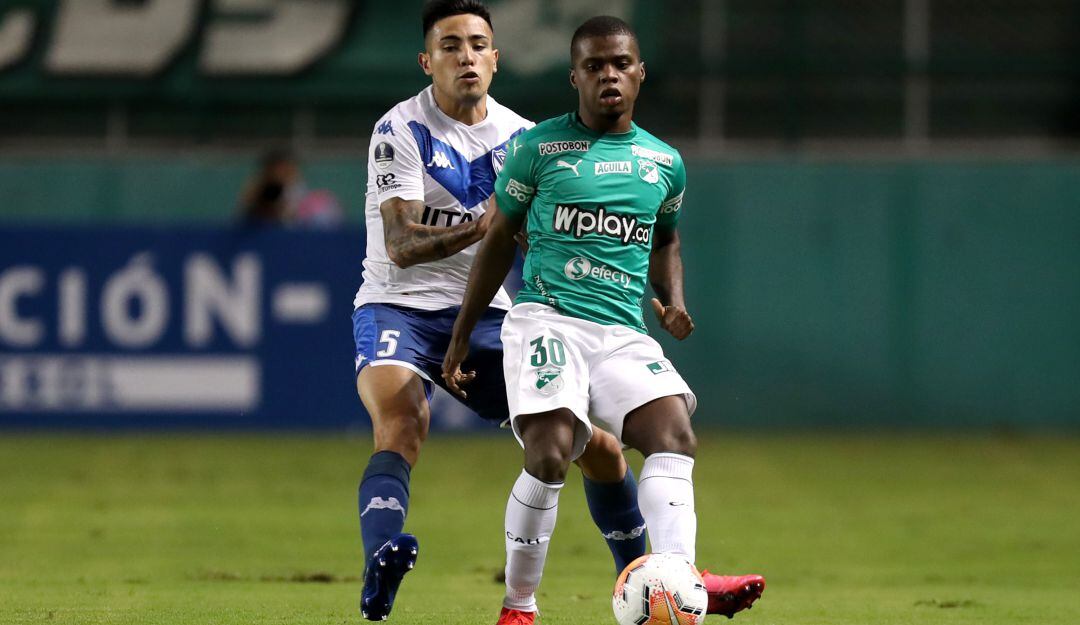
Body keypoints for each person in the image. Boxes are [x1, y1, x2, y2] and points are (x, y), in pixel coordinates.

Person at [442, 16, 765, 624]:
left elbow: (665, 237)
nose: (608, 75)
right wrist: (461, 336)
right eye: (594, 66)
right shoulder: (538, 148)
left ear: (640, 73)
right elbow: (496, 240)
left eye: (620, 63)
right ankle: (519, 607)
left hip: (619, 332)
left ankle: (682, 582)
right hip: (546, 320)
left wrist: (671, 298)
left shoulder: (663, 162)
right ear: (575, 78)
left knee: (673, 434)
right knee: (550, 451)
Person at [351, 2, 650, 620]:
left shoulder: (524, 139)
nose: (466, 56)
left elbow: (538, 240)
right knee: (402, 419)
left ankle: (645, 577)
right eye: (450, 45)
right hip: (395, 305)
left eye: (478, 44)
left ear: (495, 59)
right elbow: (402, 247)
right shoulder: (400, 129)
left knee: (590, 446)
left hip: (487, 313)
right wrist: (483, 228)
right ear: (426, 60)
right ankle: (382, 558)